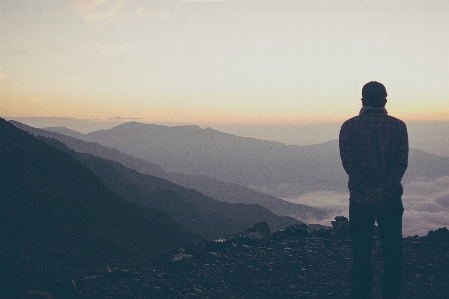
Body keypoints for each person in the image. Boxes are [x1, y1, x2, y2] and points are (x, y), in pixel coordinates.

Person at [339, 81, 409, 299]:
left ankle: (361, 293)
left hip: (360, 199)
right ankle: (391, 293)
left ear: (362, 100)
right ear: (385, 100)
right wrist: (383, 191)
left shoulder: (348, 126)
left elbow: (349, 164)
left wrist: (368, 190)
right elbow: (400, 164)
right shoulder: (399, 126)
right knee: (393, 251)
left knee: (361, 252)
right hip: (390, 198)